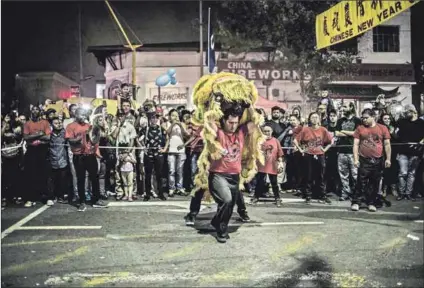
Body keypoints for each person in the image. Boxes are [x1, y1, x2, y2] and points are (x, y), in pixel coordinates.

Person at [205, 107, 258, 243]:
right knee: (227, 200)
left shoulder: (240, 133)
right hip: (218, 175)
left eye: (235, 122)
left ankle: (216, 221)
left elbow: (254, 122)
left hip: (235, 176)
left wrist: (248, 106)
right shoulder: (220, 133)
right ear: (224, 121)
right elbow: (209, 123)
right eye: (230, 122)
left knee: (230, 205)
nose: (233, 125)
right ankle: (222, 231)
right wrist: (215, 103)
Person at [65, 108, 108, 211]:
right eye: (81, 114)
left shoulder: (89, 126)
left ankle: (96, 200)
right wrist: (81, 137)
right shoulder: (71, 126)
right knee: (81, 179)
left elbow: (95, 138)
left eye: (84, 115)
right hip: (78, 155)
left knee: (94, 177)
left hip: (90, 154)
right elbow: (70, 141)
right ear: (76, 115)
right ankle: (82, 202)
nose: (83, 116)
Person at [351, 109, 391, 212]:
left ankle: (371, 202)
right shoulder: (360, 128)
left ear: (373, 117)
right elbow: (355, 144)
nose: (364, 120)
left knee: (375, 182)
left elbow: (387, 145)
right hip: (364, 159)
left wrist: (388, 159)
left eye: (366, 117)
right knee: (361, 181)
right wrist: (356, 159)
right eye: (362, 118)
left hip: (378, 159)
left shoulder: (382, 128)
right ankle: (356, 202)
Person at [293, 112, 333, 204]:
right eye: (312, 117)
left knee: (321, 176)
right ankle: (308, 195)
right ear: (310, 119)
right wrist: (301, 150)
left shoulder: (323, 130)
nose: (314, 119)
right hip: (308, 155)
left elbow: (331, 141)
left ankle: (322, 195)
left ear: (319, 119)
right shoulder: (305, 130)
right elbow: (295, 140)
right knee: (308, 175)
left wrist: (324, 150)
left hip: (320, 155)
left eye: (316, 117)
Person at [23, 105, 51, 207]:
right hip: (31, 151)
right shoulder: (27, 124)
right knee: (31, 175)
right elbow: (26, 137)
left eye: (36, 109)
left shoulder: (45, 122)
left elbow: (48, 137)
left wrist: (33, 136)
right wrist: (39, 134)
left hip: (42, 150)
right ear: (31, 112)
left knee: (44, 174)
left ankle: (47, 197)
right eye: (33, 110)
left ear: (40, 111)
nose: (35, 111)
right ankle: (30, 198)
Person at [395, 104, 424, 201]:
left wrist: (420, 142)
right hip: (403, 151)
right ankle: (402, 193)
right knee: (403, 173)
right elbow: (396, 135)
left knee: (412, 174)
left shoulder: (421, 122)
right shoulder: (402, 122)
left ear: (413, 111)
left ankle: (408, 193)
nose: (406, 114)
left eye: (407, 112)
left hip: (416, 152)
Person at [250, 124, 284, 207]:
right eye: (265, 131)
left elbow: (279, 153)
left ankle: (277, 198)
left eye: (268, 131)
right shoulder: (259, 140)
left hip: (272, 165)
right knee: (259, 182)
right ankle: (256, 197)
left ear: (272, 132)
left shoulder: (276, 141)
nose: (267, 133)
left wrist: (280, 163)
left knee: (274, 183)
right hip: (261, 165)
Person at [335, 102, 361, 201]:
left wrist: (344, 131)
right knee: (343, 174)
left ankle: (356, 194)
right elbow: (337, 133)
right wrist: (351, 133)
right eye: (342, 107)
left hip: (353, 151)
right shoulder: (340, 120)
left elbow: (357, 133)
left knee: (355, 174)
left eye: (345, 107)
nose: (343, 109)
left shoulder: (358, 120)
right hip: (341, 151)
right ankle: (345, 193)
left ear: (351, 107)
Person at [139, 110, 167, 201]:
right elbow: (138, 139)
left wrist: (165, 149)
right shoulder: (145, 129)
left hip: (158, 154)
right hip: (149, 154)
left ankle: (161, 193)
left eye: (156, 118)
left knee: (159, 174)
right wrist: (143, 147)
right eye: (152, 118)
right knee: (148, 175)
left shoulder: (161, 129)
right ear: (149, 119)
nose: (154, 120)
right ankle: (147, 194)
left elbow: (168, 138)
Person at [163, 109, 189, 196]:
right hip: (171, 150)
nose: (175, 117)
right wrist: (173, 124)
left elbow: (187, 135)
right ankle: (171, 188)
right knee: (171, 170)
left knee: (180, 171)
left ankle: (180, 187)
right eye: (173, 115)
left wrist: (180, 126)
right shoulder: (166, 124)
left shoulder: (182, 124)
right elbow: (167, 132)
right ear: (170, 116)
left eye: (177, 115)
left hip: (181, 150)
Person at [47, 117, 68, 205]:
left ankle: (61, 196)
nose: (58, 124)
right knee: (51, 180)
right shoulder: (49, 135)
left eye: (59, 122)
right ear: (51, 125)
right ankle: (51, 197)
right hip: (52, 159)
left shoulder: (64, 133)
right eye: (56, 123)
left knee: (62, 179)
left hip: (62, 160)